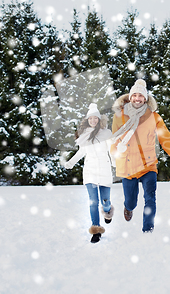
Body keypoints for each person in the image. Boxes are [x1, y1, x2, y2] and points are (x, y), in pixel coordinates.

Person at [110, 79, 170, 233]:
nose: (137, 98)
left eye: (141, 96)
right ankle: (128, 207)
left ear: (145, 99)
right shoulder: (120, 116)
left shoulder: (154, 117)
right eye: (135, 95)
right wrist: (114, 155)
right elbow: (114, 139)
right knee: (131, 201)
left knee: (150, 198)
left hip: (148, 165)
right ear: (130, 97)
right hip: (128, 166)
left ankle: (148, 230)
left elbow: (167, 142)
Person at [65, 103, 115, 243]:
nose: (93, 121)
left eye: (95, 118)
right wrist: (71, 162)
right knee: (93, 202)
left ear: (99, 120)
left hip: (104, 171)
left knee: (105, 202)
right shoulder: (84, 135)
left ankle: (108, 211)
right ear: (87, 120)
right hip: (90, 172)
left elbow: (111, 149)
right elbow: (81, 152)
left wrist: (114, 162)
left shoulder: (106, 133)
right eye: (91, 118)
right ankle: (96, 230)